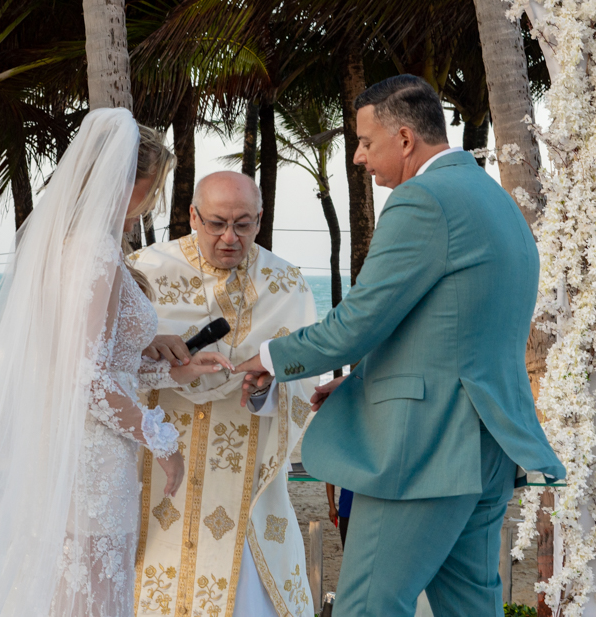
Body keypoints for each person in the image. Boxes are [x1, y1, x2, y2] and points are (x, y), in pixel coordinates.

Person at [0, 109, 233, 617]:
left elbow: (86, 363)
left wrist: (172, 371)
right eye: (150, 187)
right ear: (122, 180)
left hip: (72, 446)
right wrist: (162, 441)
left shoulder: (69, 247)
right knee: (87, 597)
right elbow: (84, 378)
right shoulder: (94, 252)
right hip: (89, 457)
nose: (149, 202)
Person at [237, 75, 566, 617]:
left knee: (368, 605)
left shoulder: (423, 200)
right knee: (470, 608)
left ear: (406, 139)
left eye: (366, 142)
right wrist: (367, 380)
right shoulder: (494, 199)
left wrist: (270, 358)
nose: (359, 157)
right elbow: (460, 328)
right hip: (487, 444)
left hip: (425, 447)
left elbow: (359, 321)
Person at [128, 170, 318, 617]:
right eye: (216, 224)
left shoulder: (286, 284)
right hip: (158, 466)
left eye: (243, 224)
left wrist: (267, 387)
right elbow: (109, 366)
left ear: (260, 219)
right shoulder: (145, 272)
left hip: (244, 475)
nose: (230, 238)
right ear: (193, 216)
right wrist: (160, 363)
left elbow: (303, 379)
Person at [325, 483, 352, 548]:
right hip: (346, 510)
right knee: (347, 548)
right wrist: (332, 507)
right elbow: (330, 480)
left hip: (368, 511)